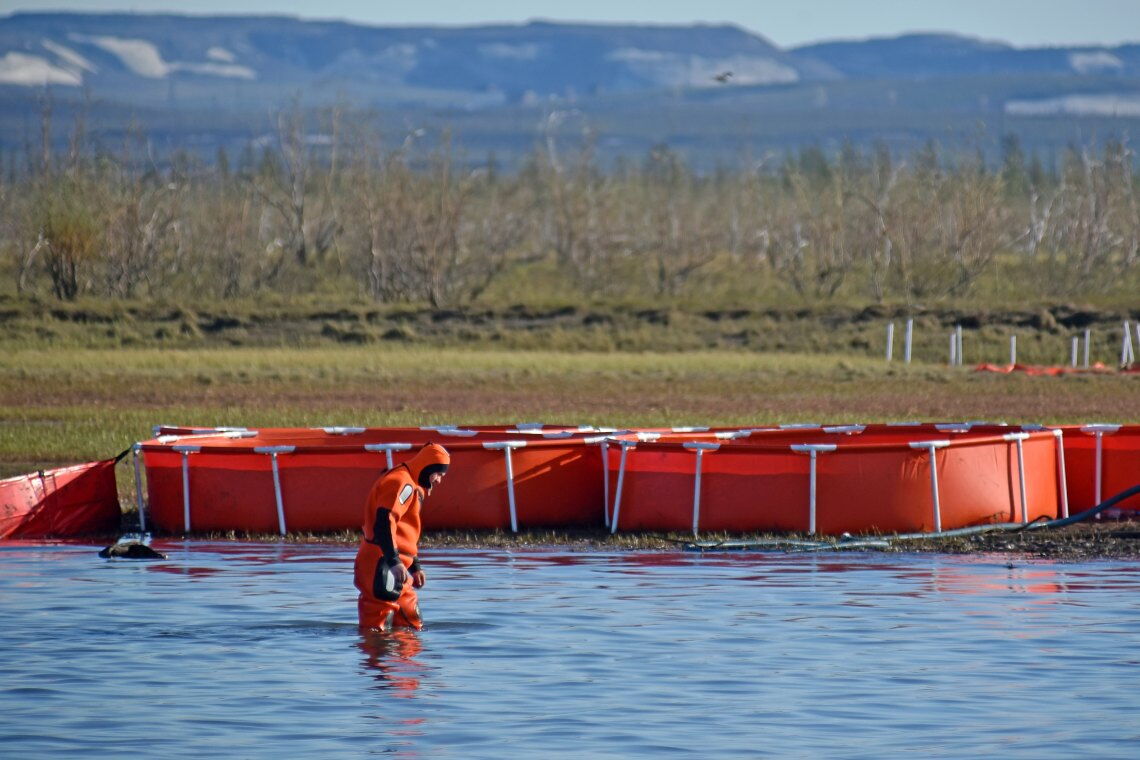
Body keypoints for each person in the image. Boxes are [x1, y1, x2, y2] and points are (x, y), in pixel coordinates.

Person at [354, 442, 450, 632]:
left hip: (398, 563)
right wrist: (393, 561)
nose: (439, 480)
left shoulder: (414, 484)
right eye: (438, 474)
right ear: (427, 467)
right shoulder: (401, 483)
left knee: (410, 618)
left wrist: (414, 566)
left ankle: (406, 661)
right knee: (379, 620)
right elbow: (384, 522)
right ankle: (378, 658)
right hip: (381, 562)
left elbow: (402, 531)